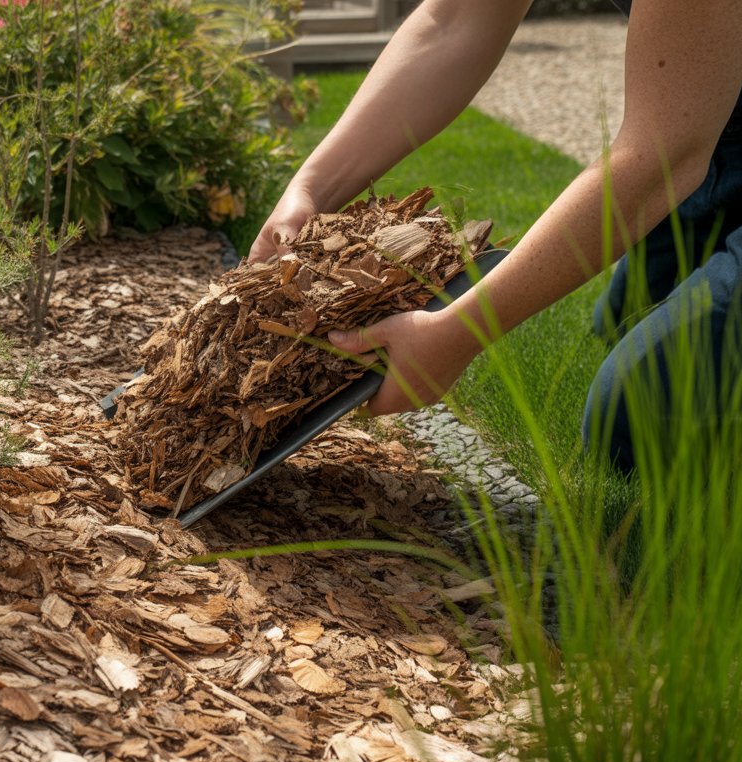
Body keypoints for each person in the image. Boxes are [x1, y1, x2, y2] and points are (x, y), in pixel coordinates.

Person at [249, 0, 742, 471]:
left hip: (693, 143)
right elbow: (455, 20)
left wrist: (459, 333)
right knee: (621, 316)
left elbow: (662, 159)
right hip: (720, 133)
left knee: (638, 418)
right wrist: (311, 188)